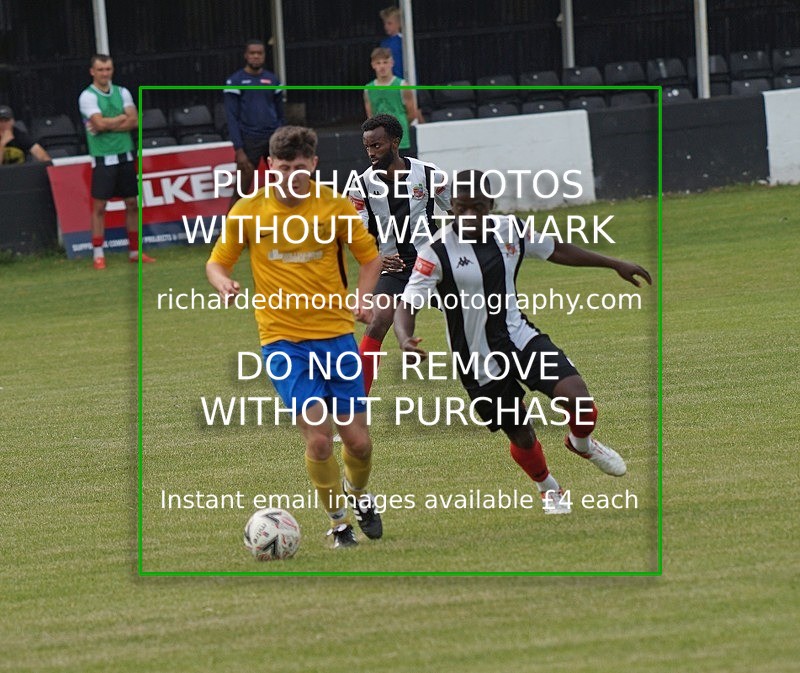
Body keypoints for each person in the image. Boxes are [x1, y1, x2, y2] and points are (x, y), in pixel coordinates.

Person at [394, 170, 653, 513]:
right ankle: (549, 488)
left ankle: (582, 444)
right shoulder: (436, 252)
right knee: (522, 434)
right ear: (451, 206)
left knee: (579, 400)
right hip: (477, 359)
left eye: (477, 207)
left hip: (519, 338)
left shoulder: (511, 230)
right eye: (461, 207)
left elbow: (556, 249)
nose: (468, 215)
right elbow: (408, 302)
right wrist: (404, 338)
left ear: (490, 204)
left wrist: (613, 263)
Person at [206, 126, 383, 549]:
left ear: (314, 165)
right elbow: (216, 263)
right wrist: (223, 282)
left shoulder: (335, 206)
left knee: (358, 443)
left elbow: (370, 259)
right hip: (282, 341)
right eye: (283, 168)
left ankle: (359, 495)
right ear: (270, 166)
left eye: (299, 168)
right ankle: (339, 525)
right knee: (319, 440)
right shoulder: (248, 210)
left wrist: (362, 300)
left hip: (336, 336)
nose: (291, 176)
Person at [348, 113, 451, 395]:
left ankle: (505, 394)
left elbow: (459, 211)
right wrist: (377, 259)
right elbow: (356, 235)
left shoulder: (428, 174)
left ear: (395, 142)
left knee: (470, 319)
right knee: (378, 320)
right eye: (367, 147)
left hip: (433, 263)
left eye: (377, 145)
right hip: (394, 267)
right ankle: (354, 404)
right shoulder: (361, 185)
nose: (371, 152)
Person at [78, 54, 154, 270]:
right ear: (92, 72)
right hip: (103, 157)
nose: (105, 73)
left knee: (132, 204)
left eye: (108, 69)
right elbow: (98, 125)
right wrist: (121, 119)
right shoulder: (87, 96)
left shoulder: (122, 92)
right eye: (101, 70)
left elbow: (134, 120)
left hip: (126, 154)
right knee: (100, 206)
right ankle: (98, 254)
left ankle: (135, 252)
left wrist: (110, 123)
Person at [224, 39, 285, 207]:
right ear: (246, 55)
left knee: (285, 187)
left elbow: (281, 114)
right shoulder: (235, 81)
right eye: (252, 53)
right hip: (249, 141)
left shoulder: (272, 80)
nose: (256, 56)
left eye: (260, 53)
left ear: (264, 55)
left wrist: (281, 138)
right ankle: (229, 224)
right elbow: (231, 117)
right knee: (240, 192)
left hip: (273, 140)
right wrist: (239, 149)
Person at [364, 48, 418, 154]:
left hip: (401, 141)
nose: (382, 66)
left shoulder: (402, 86)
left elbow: (412, 114)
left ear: (391, 63)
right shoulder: (368, 89)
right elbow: (370, 116)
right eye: (378, 63)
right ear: (373, 65)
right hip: (379, 142)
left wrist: (398, 128)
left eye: (385, 62)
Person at [379, 6, 404, 79]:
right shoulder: (383, 43)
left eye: (389, 23)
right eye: (384, 23)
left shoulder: (403, 41)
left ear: (399, 24)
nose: (386, 26)